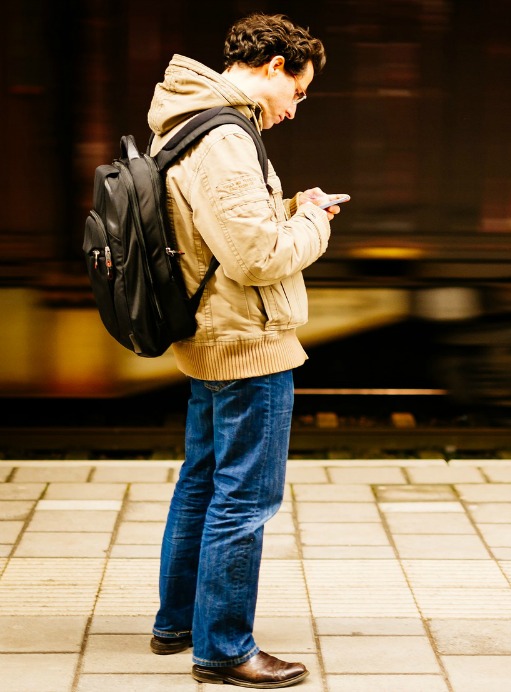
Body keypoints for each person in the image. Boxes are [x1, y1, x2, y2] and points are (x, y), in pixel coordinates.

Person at [146, 12, 339, 689]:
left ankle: (178, 623)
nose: (295, 108)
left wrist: (289, 206)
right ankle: (224, 647)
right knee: (244, 499)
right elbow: (255, 259)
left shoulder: (188, 118)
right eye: (300, 91)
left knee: (202, 482)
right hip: (246, 344)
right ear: (276, 67)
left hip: (211, 332)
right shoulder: (227, 135)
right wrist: (315, 224)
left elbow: (219, 231)